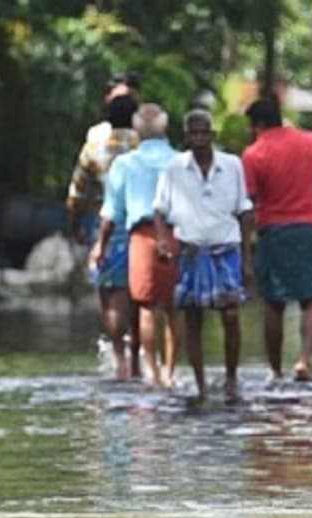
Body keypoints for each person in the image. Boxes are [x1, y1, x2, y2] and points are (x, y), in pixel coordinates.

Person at [241, 98, 312, 383]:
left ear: (258, 125)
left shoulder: (254, 154)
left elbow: (248, 205)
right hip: (307, 230)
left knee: (274, 302)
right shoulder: (310, 142)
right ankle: (305, 359)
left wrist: (243, 252)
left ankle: (276, 370)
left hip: (272, 232)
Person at [153, 109, 254, 402]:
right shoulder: (174, 169)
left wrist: (247, 259)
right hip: (192, 252)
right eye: (192, 133)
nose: (198, 139)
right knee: (193, 318)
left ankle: (231, 378)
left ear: (212, 135)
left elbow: (245, 212)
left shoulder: (232, 165)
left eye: (203, 133)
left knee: (231, 315)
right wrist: (162, 242)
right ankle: (200, 384)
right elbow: (159, 211)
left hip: (226, 250)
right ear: (185, 137)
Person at [97, 103, 180, 388]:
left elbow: (111, 214)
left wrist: (101, 245)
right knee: (173, 307)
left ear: (136, 132)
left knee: (147, 306)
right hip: (177, 234)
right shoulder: (180, 161)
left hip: (141, 237)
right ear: (165, 128)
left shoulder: (125, 164)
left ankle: (152, 373)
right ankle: (171, 371)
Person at [70, 94, 140, 379]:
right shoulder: (144, 145)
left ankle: (120, 359)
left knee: (110, 295)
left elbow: (77, 192)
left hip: (103, 227)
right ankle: (137, 357)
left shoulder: (93, 147)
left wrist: (74, 225)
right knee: (140, 294)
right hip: (141, 226)